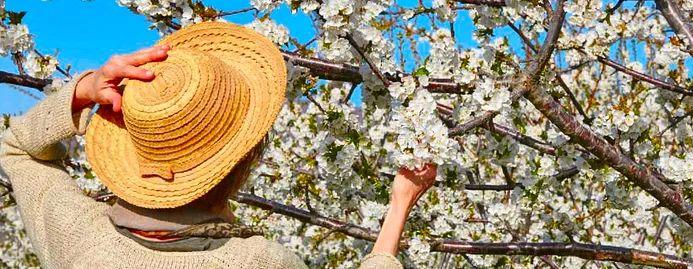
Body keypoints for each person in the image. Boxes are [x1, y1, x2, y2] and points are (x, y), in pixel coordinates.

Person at [0, 22, 435, 268]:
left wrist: (85, 89)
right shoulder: (261, 262)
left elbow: (13, 148)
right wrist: (398, 207)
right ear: (243, 158)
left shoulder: (77, 233)